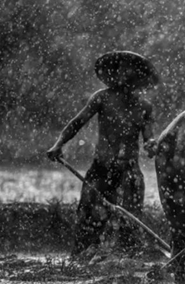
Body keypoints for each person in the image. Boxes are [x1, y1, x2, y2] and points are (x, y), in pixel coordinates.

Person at [47, 51, 160, 258]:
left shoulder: (144, 107)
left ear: (138, 79)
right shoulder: (102, 98)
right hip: (101, 168)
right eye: (120, 71)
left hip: (129, 171)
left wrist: (153, 146)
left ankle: (126, 261)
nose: (124, 76)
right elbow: (77, 123)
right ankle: (81, 258)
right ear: (113, 74)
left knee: (131, 220)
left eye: (130, 73)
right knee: (89, 217)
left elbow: (149, 139)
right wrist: (58, 145)